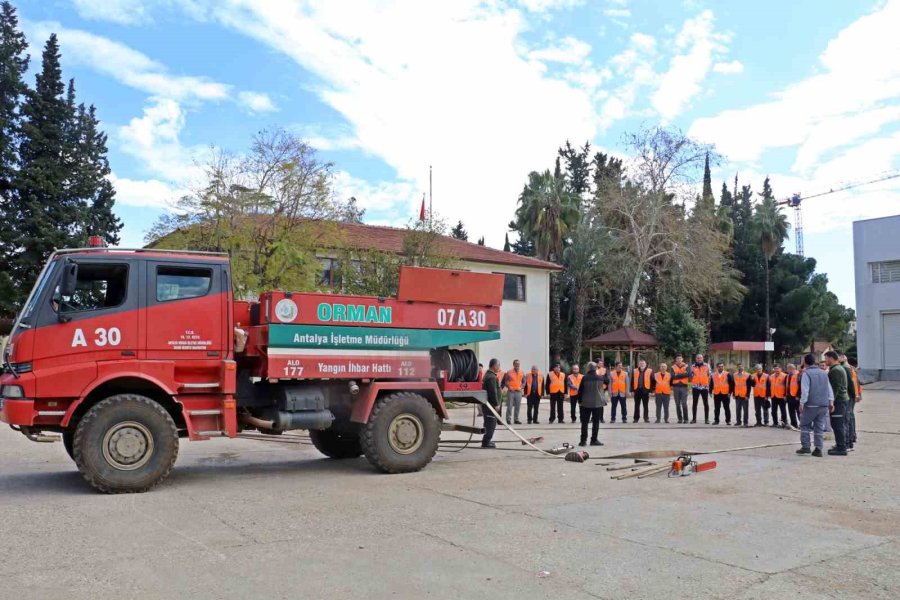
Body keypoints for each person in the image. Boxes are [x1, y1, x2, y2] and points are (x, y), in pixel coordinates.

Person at [797, 353, 833, 457]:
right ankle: (818, 449)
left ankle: (806, 447)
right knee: (819, 427)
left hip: (811, 404)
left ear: (805, 362)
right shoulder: (823, 373)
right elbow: (829, 389)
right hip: (823, 404)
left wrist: (802, 403)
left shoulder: (806, 373)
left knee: (804, 425)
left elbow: (805, 390)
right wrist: (831, 402)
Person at [577, 362, 608, 447]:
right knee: (596, 422)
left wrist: (580, 401)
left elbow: (580, 390)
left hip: (585, 403)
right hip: (597, 403)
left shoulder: (584, 378)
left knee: (584, 423)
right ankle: (594, 440)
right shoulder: (600, 378)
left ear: (588, 368)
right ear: (596, 368)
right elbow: (607, 382)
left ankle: (583, 441)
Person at [825, 351, 849, 456]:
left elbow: (835, 388)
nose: (825, 361)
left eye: (826, 358)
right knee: (837, 424)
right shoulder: (837, 369)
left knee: (838, 424)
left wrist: (831, 402)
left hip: (838, 401)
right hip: (840, 400)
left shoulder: (836, 370)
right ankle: (839, 444)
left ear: (831, 358)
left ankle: (841, 448)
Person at [839, 354, 858, 450]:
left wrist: (855, 395)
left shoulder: (845, 368)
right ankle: (851, 439)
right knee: (850, 418)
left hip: (848, 396)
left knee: (847, 419)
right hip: (850, 396)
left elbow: (852, 383)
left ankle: (848, 442)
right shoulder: (848, 368)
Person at [481, 358, 502, 448]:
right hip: (490, 405)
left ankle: (487, 440)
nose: (499, 367)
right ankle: (486, 442)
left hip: (488, 405)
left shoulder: (488, 375)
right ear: (494, 366)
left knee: (489, 423)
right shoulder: (491, 377)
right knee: (491, 423)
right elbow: (492, 392)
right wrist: (496, 404)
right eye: (498, 365)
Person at [502, 360, 525, 425]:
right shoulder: (509, 372)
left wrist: (522, 387)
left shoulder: (522, 372)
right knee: (509, 405)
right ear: (513, 364)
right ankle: (508, 419)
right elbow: (506, 381)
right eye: (516, 364)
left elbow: (524, 381)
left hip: (518, 392)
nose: (517, 365)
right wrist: (509, 387)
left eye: (518, 364)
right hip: (511, 391)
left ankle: (516, 419)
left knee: (518, 406)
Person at [691, 354, 711, 424]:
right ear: (696, 359)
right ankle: (694, 419)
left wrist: (708, 385)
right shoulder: (692, 366)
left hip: (704, 387)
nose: (699, 359)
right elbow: (691, 375)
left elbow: (710, 375)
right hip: (695, 387)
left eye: (700, 358)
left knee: (706, 403)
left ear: (703, 358)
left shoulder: (707, 365)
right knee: (694, 403)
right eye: (698, 358)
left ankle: (707, 419)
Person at [671, 354, 691, 424]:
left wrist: (677, 375)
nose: (679, 360)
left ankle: (686, 419)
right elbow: (673, 376)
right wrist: (682, 374)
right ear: (676, 360)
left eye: (680, 358)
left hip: (684, 387)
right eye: (677, 358)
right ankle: (680, 419)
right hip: (676, 387)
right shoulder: (673, 367)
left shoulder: (687, 366)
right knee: (677, 404)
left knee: (684, 403)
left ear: (682, 359)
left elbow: (688, 374)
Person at [631, 359, 653, 423]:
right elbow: (632, 381)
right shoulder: (634, 370)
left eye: (643, 363)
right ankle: (636, 418)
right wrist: (632, 390)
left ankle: (646, 418)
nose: (642, 364)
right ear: (639, 364)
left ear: (645, 364)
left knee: (645, 405)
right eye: (641, 363)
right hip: (637, 390)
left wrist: (651, 391)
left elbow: (652, 382)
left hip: (646, 390)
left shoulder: (650, 371)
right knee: (636, 405)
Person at [785, 363, 801, 431]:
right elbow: (786, 386)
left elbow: (800, 386)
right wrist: (785, 395)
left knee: (799, 411)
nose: (787, 370)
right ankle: (794, 424)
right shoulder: (788, 376)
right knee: (791, 411)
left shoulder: (798, 375)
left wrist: (798, 395)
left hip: (796, 397)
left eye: (788, 368)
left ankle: (802, 424)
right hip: (789, 396)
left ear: (791, 368)